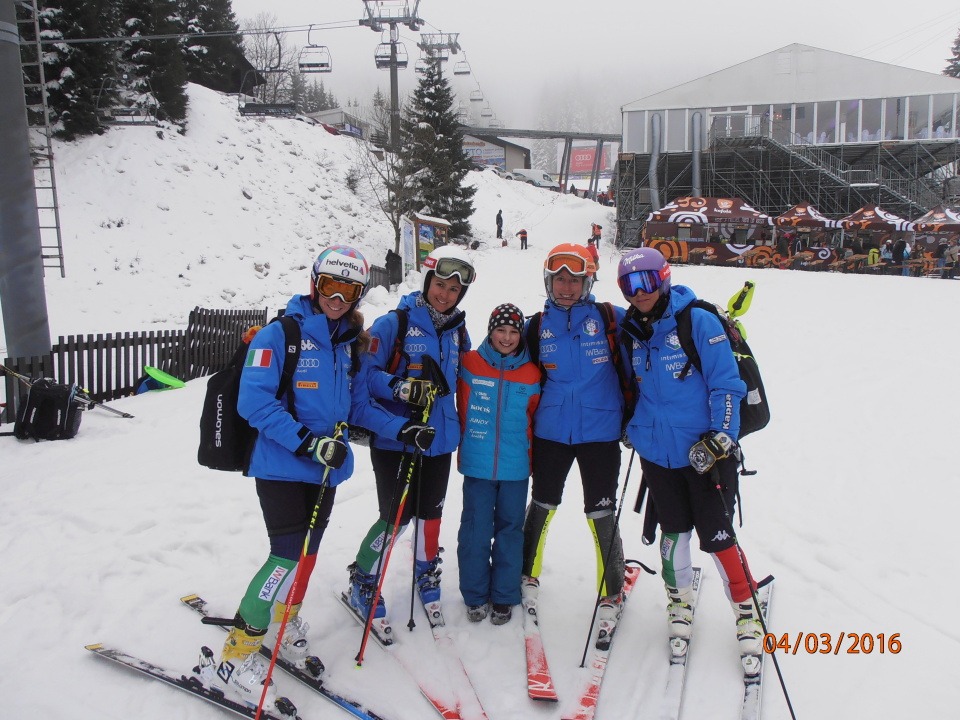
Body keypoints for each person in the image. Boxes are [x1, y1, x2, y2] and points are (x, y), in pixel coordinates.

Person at [209, 245, 406, 709]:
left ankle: (283, 621)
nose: (337, 298)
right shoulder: (279, 336)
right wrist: (307, 443)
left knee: (305, 554)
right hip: (281, 465)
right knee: (284, 557)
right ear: (314, 284)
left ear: (358, 295)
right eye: (330, 286)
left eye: (348, 290)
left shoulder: (348, 344)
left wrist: (402, 429)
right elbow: (253, 402)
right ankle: (236, 654)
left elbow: (357, 407)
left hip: (324, 471)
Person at [615, 247, 764, 670]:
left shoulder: (697, 320)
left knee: (718, 535)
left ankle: (745, 607)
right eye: (628, 285)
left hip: (705, 454)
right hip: (657, 454)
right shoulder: (631, 330)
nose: (638, 292)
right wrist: (633, 427)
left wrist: (721, 437)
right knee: (674, 532)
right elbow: (632, 386)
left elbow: (726, 385)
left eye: (646, 281)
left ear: (663, 278)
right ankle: (679, 601)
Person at [345, 245, 476, 630]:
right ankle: (363, 578)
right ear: (427, 281)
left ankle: (425, 568)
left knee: (431, 513)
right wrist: (402, 388)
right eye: (440, 284)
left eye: (454, 289)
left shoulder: (458, 330)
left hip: (440, 438)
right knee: (395, 518)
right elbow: (365, 377)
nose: (445, 294)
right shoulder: (394, 324)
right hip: (397, 438)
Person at [521, 243, 627, 632]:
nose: (566, 288)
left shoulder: (610, 318)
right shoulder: (536, 326)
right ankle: (526, 575)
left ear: (588, 283)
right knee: (543, 503)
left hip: (601, 431)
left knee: (600, 510)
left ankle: (612, 590)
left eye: (575, 280)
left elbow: (656, 329)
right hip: (551, 431)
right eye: (559, 279)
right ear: (548, 281)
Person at [456, 303, 541, 625]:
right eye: (500, 330)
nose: (506, 337)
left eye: (513, 331)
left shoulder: (532, 373)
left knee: (510, 532)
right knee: (475, 531)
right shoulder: (469, 364)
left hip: (516, 467)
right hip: (477, 465)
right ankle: (475, 595)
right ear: (490, 331)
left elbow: (535, 417)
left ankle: (504, 595)